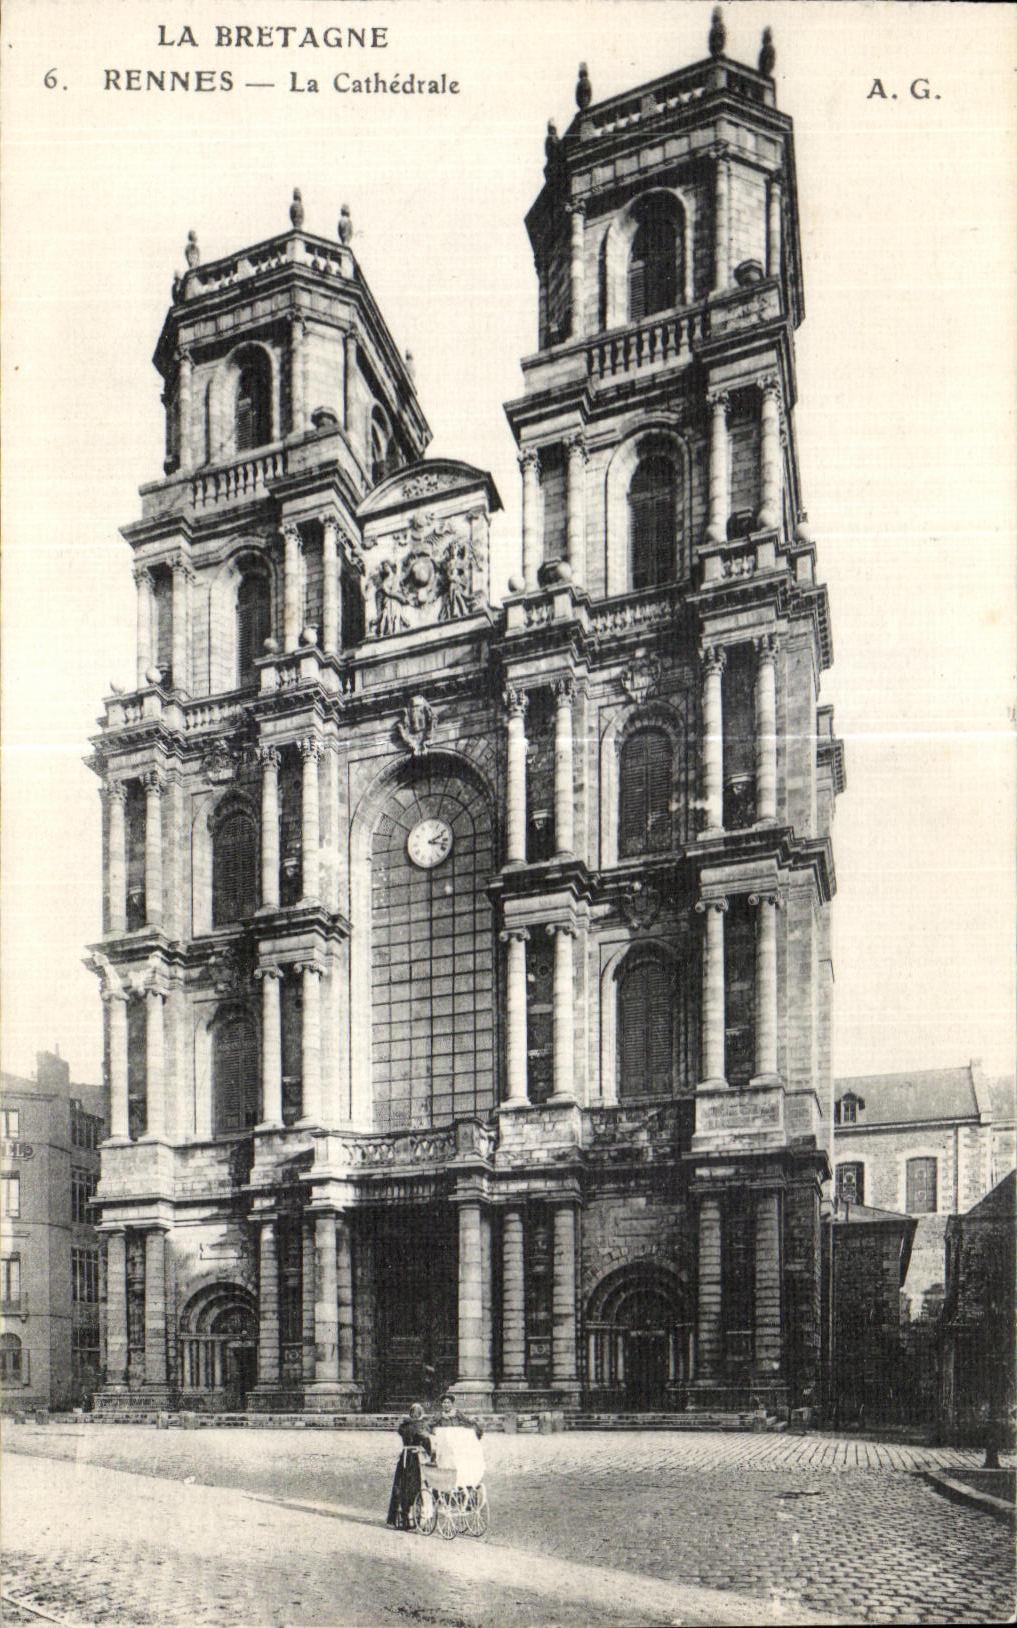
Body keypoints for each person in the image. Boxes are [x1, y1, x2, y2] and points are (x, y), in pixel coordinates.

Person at [386, 1402, 432, 1531]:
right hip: (414, 1458)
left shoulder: (404, 1426)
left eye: (416, 1412)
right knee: (412, 1486)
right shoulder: (421, 1426)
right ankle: (411, 1517)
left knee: (403, 1486)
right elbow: (427, 1442)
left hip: (406, 1457)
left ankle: (405, 1517)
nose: (415, 1414)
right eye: (414, 1412)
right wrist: (429, 1453)